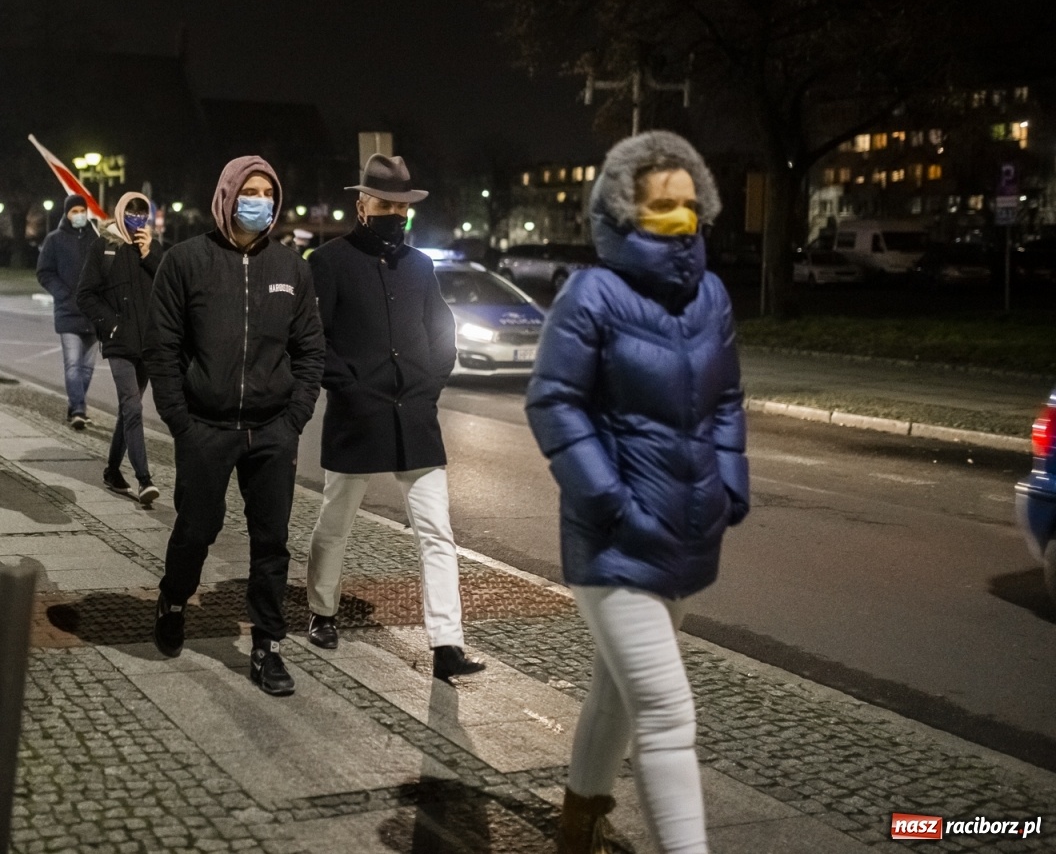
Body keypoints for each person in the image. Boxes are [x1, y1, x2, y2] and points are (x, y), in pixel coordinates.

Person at [526, 131, 746, 854]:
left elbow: (725, 400)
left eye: (690, 206)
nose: (681, 219)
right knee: (666, 709)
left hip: (684, 533)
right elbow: (555, 402)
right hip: (612, 541)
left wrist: (730, 484)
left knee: (617, 692)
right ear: (624, 211)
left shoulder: (711, 295)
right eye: (663, 207)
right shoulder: (593, 293)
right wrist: (611, 502)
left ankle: (578, 821)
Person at [304, 155, 486, 683]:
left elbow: (442, 332)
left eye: (402, 206)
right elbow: (315, 340)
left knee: (437, 532)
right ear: (361, 204)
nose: (395, 214)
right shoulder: (330, 261)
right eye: (385, 204)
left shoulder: (420, 266)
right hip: (358, 416)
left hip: (415, 417)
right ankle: (322, 611)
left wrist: (431, 384)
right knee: (335, 522)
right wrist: (352, 388)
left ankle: (447, 641)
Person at [146, 156, 324, 697]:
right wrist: (181, 421)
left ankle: (268, 646)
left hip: (273, 429)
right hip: (206, 426)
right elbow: (164, 350)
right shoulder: (185, 261)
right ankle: (174, 601)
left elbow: (311, 348)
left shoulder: (291, 267)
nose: (260, 202)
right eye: (250, 191)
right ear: (226, 196)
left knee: (272, 542)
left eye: (269, 193)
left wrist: (295, 417)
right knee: (196, 528)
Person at [76, 191, 161, 508]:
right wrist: (110, 324)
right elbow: (84, 295)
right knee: (133, 407)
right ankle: (144, 480)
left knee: (130, 409)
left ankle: (112, 470)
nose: (137, 218)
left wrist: (149, 252)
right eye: (132, 212)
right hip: (119, 342)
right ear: (121, 212)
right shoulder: (105, 246)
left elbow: (167, 285)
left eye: (143, 213)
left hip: (147, 344)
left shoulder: (149, 248)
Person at [37, 194, 100, 430]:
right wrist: (62, 293)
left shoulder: (96, 239)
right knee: (73, 364)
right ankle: (79, 409)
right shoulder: (55, 240)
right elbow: (44, 272)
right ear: (66, 214)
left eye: (82, 210)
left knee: (88, 367)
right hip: (68, 312)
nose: (79, 215)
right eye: (74, 211)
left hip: (94, 314)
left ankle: (76, 404)